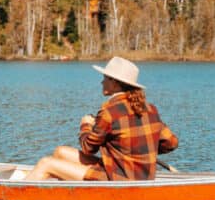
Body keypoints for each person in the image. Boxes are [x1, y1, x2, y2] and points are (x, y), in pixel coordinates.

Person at [25, 56, 178, 181]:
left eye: (105, 78)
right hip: (134, 173)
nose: (101, 82)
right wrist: (142, 149)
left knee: (46, 163)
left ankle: (19, 196)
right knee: (60, 152)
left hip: (117, 178)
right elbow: (171, 143)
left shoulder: (109, 112)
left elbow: (88, 148)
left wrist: (85, 125)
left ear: (115, 83)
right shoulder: (151, 109)